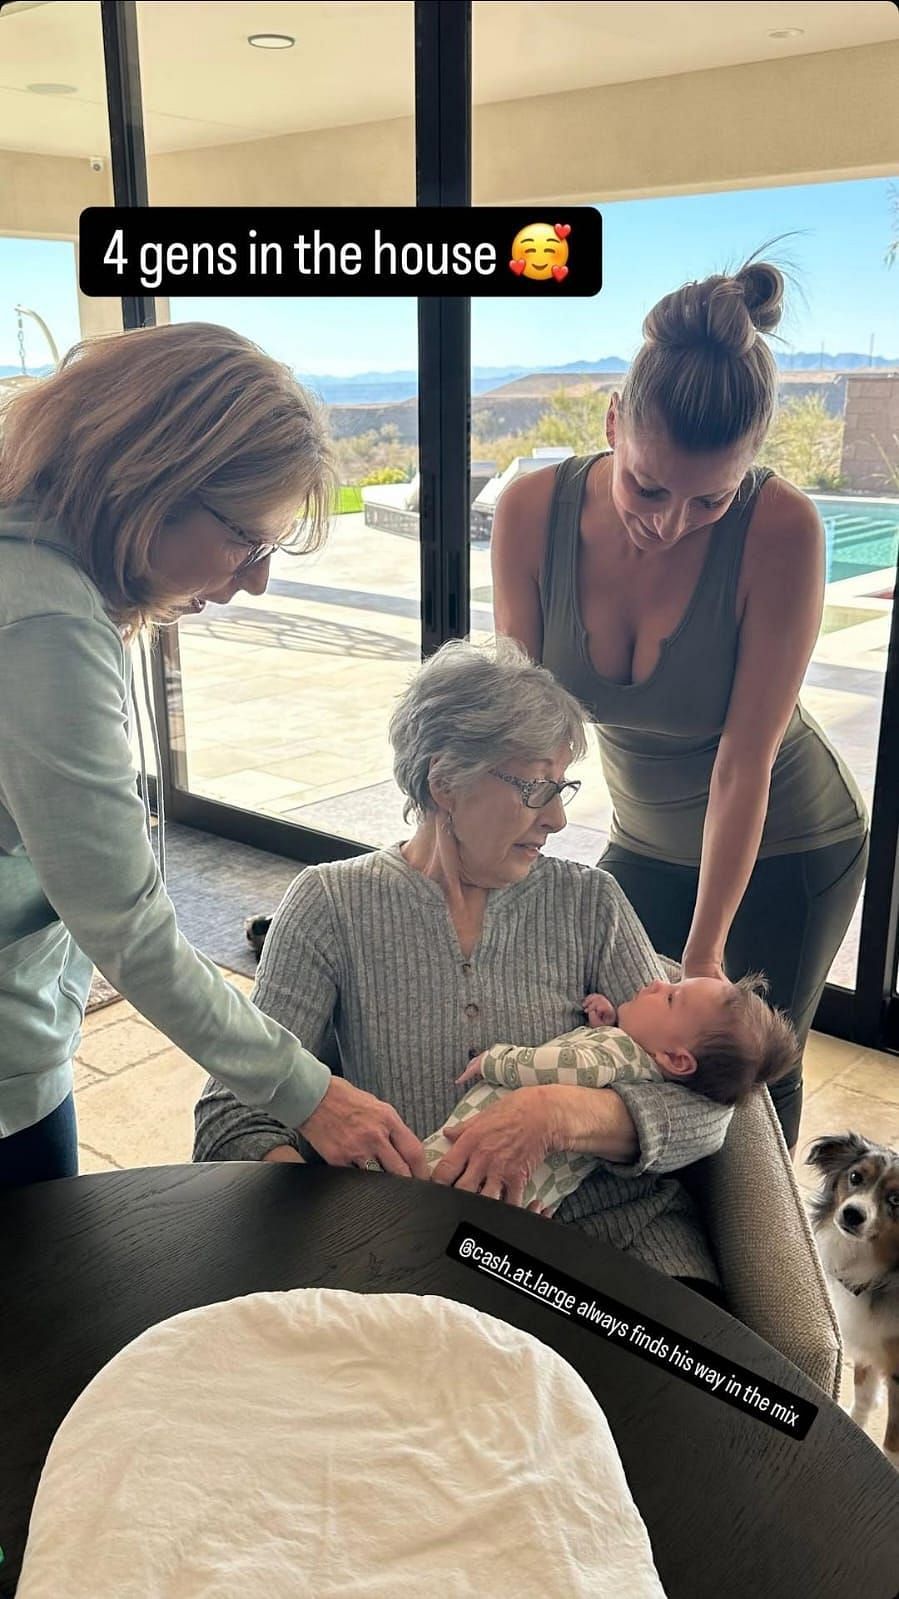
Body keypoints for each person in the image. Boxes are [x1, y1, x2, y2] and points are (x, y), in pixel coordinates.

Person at [0, 322, 427, 1187]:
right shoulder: (44, 616)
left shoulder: (36, 574)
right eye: (247, 540)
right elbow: (123, 921)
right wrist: (311, 1093)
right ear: (151, 482)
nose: (257, 579)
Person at [194, 638, 735, 1304]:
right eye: (537, 785)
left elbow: (709, 1106)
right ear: (444, 781)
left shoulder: (589, 900)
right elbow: (230, 1117)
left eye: (562, 787)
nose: (559, 818)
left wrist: (555, 1112)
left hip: (619, 1249)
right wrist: (357, 1227)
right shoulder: (331, 902)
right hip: (421, 1263)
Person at [491, 258, 869, 1151]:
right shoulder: (529, 512)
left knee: (739, 1084)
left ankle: (760, 1290)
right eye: (647, 487)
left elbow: (744, 761)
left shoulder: (781, 530)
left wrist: (705, 955)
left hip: (785, 841)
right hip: (647, 834)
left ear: (751, 466)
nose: (669, 521)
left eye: (711, 498)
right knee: (618, 1048)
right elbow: (520, 725)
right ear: (613, 422)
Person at [421, 972, 798, 1215]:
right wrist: (607, 1024)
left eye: (671, 996)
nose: (656, 982)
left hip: (463, 1157)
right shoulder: (651, 1068)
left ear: (676, 1060)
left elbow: (565, 1066)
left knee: (424, 1179)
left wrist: (497, 1060)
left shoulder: (619, 1052)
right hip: (526, 1201)